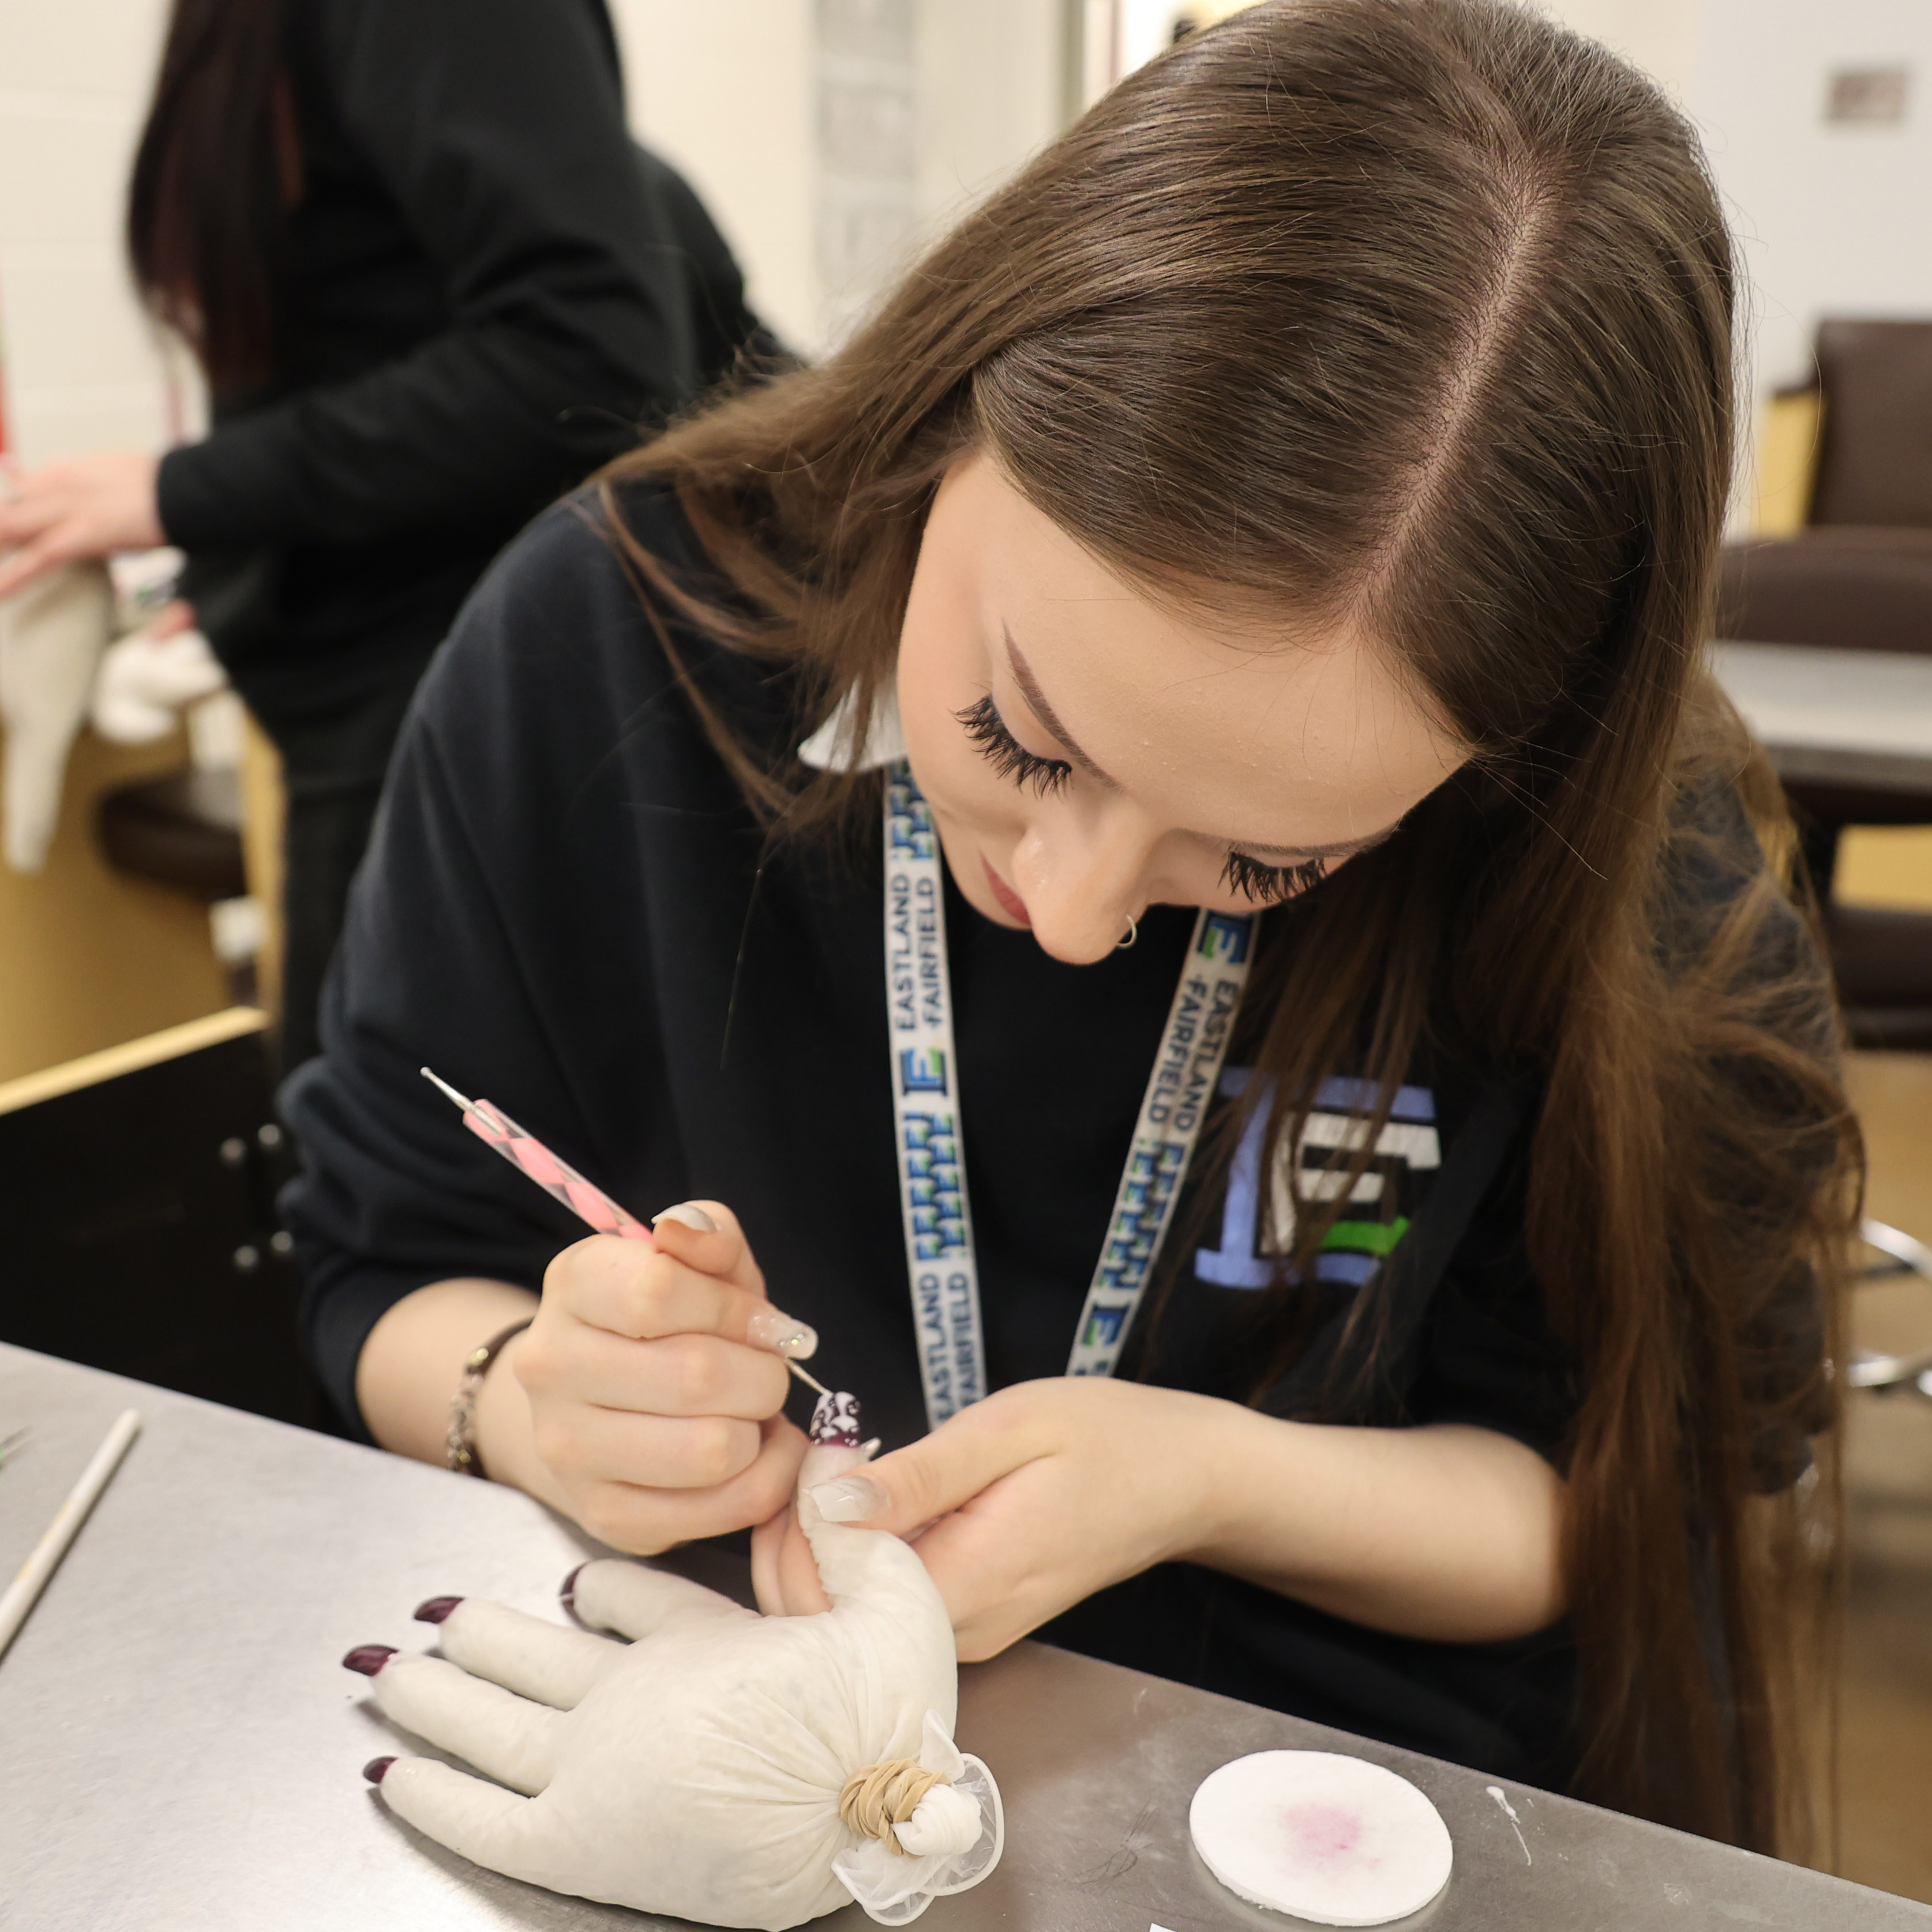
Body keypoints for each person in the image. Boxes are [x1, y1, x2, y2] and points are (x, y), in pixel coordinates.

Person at [280, 0, 1856, 1857]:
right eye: (1020, 736)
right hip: (696, 1738)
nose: (1082, 909)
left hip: (1332, 1794)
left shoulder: (1608, 864)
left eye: (1267, 862)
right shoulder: (603, 640)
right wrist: (526, 1401)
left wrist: (1200, 1478)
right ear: (951, 404)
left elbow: (1652, 1493)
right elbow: (374, 1257)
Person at [0, 0, 772, 1070]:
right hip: (396, 731)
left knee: (386, 1197)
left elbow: (586, 355)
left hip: (457, 730)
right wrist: (238, 559)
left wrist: (185, 493)